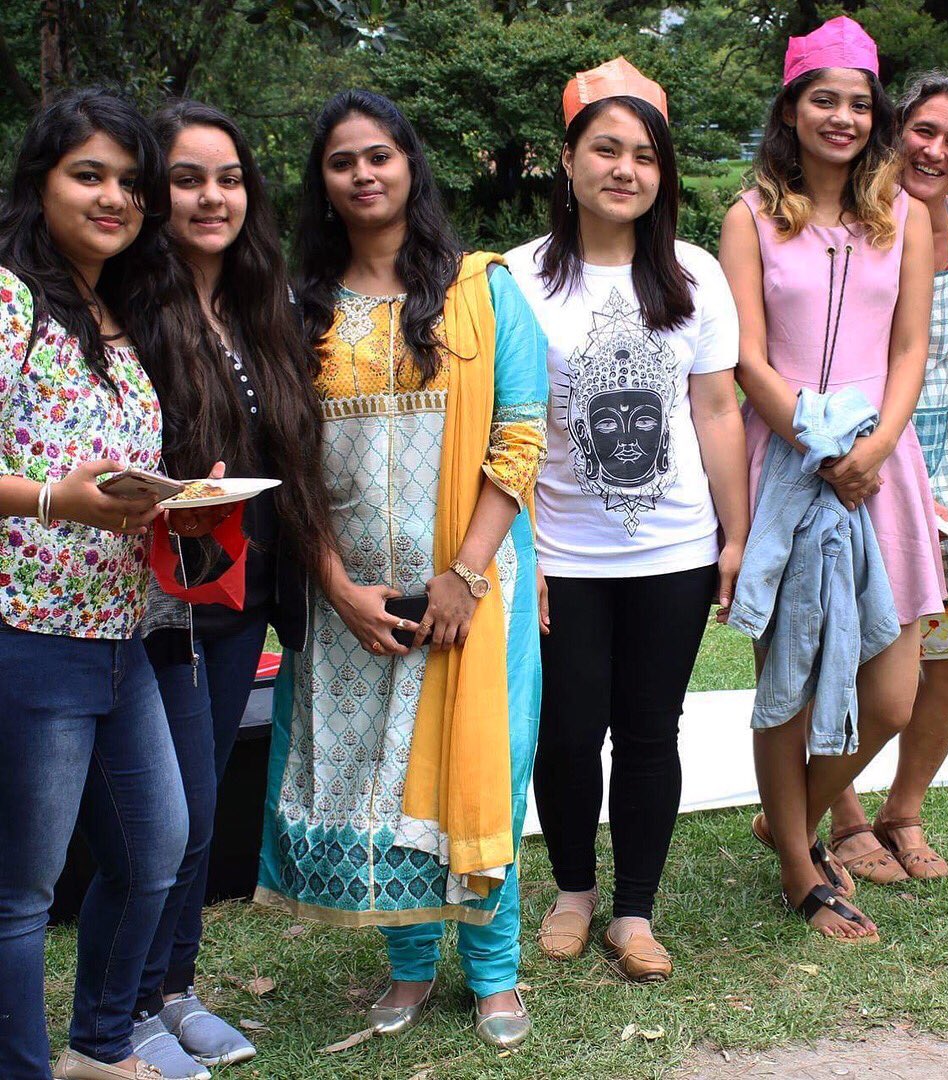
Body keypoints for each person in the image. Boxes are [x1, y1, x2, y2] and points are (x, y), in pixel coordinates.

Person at [255, 89, 548, 1049]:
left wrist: (465, 573)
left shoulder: (481, 287)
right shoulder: (297, 307)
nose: (364, 174)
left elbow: (519, 430)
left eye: (379, 155)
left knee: (478, 775)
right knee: (383, 782)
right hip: (351, 592)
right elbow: (288, 461)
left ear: (411, 166)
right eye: (342, 162)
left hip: (472, 585)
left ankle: (496, 975)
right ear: (324, 183)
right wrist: (335, 586)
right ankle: (411, 966)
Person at [506, 58, 749, 981]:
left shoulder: (692, 275)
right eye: (604, 149)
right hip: (559, 551)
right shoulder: (519, 281)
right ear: (565, 161)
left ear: (664, 173)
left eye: (644, 156)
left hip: (674, 551)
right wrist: (517, 554)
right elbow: (507, 425)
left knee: (651, 731)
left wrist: (733, 537)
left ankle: (634, 912)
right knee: (566, 731)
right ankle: (573, 892)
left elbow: (716, 411)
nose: (625, 170)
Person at [121, 101, 335, 1079]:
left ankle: (174, 991)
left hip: (243, 593)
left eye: (230, 177)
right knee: (162, 812)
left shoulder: (262, 305)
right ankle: (125, 1010)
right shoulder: (127, 309)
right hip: (156, 598)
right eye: (188, 177)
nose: (214, 197)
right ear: (152, 192)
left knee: (202, 808)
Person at [719, 17, 944, 941]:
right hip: (788, 466)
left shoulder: (908, 217)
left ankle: (791, 818)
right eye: (825, 99)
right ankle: (799, 868)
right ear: (792, 109)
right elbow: (740, 352)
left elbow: (909, 349)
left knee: (890, 696)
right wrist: (814, 441)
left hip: (883, 469)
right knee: (794, 679)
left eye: (859, 102)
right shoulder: (751, 217)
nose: (843, 117)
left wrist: (879, 444)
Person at [0, 88, 188, 1080]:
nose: (113, 197)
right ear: (42, 181)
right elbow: (48, 484)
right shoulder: (8, 297)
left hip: (119, 632)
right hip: (28, 631)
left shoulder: (119, 309)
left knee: (156, 849)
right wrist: (51, 504)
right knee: (23, 892)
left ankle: (98, 1050)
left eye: (130, 182)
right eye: (90, 174)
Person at [828, 72, 948, 882]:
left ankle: (904, 810)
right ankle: (839, 819)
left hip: (940, 476)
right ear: (896, 130)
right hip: (855, 464)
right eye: (923, 130)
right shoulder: (851, 225)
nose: (934, 151)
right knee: (845, 653)